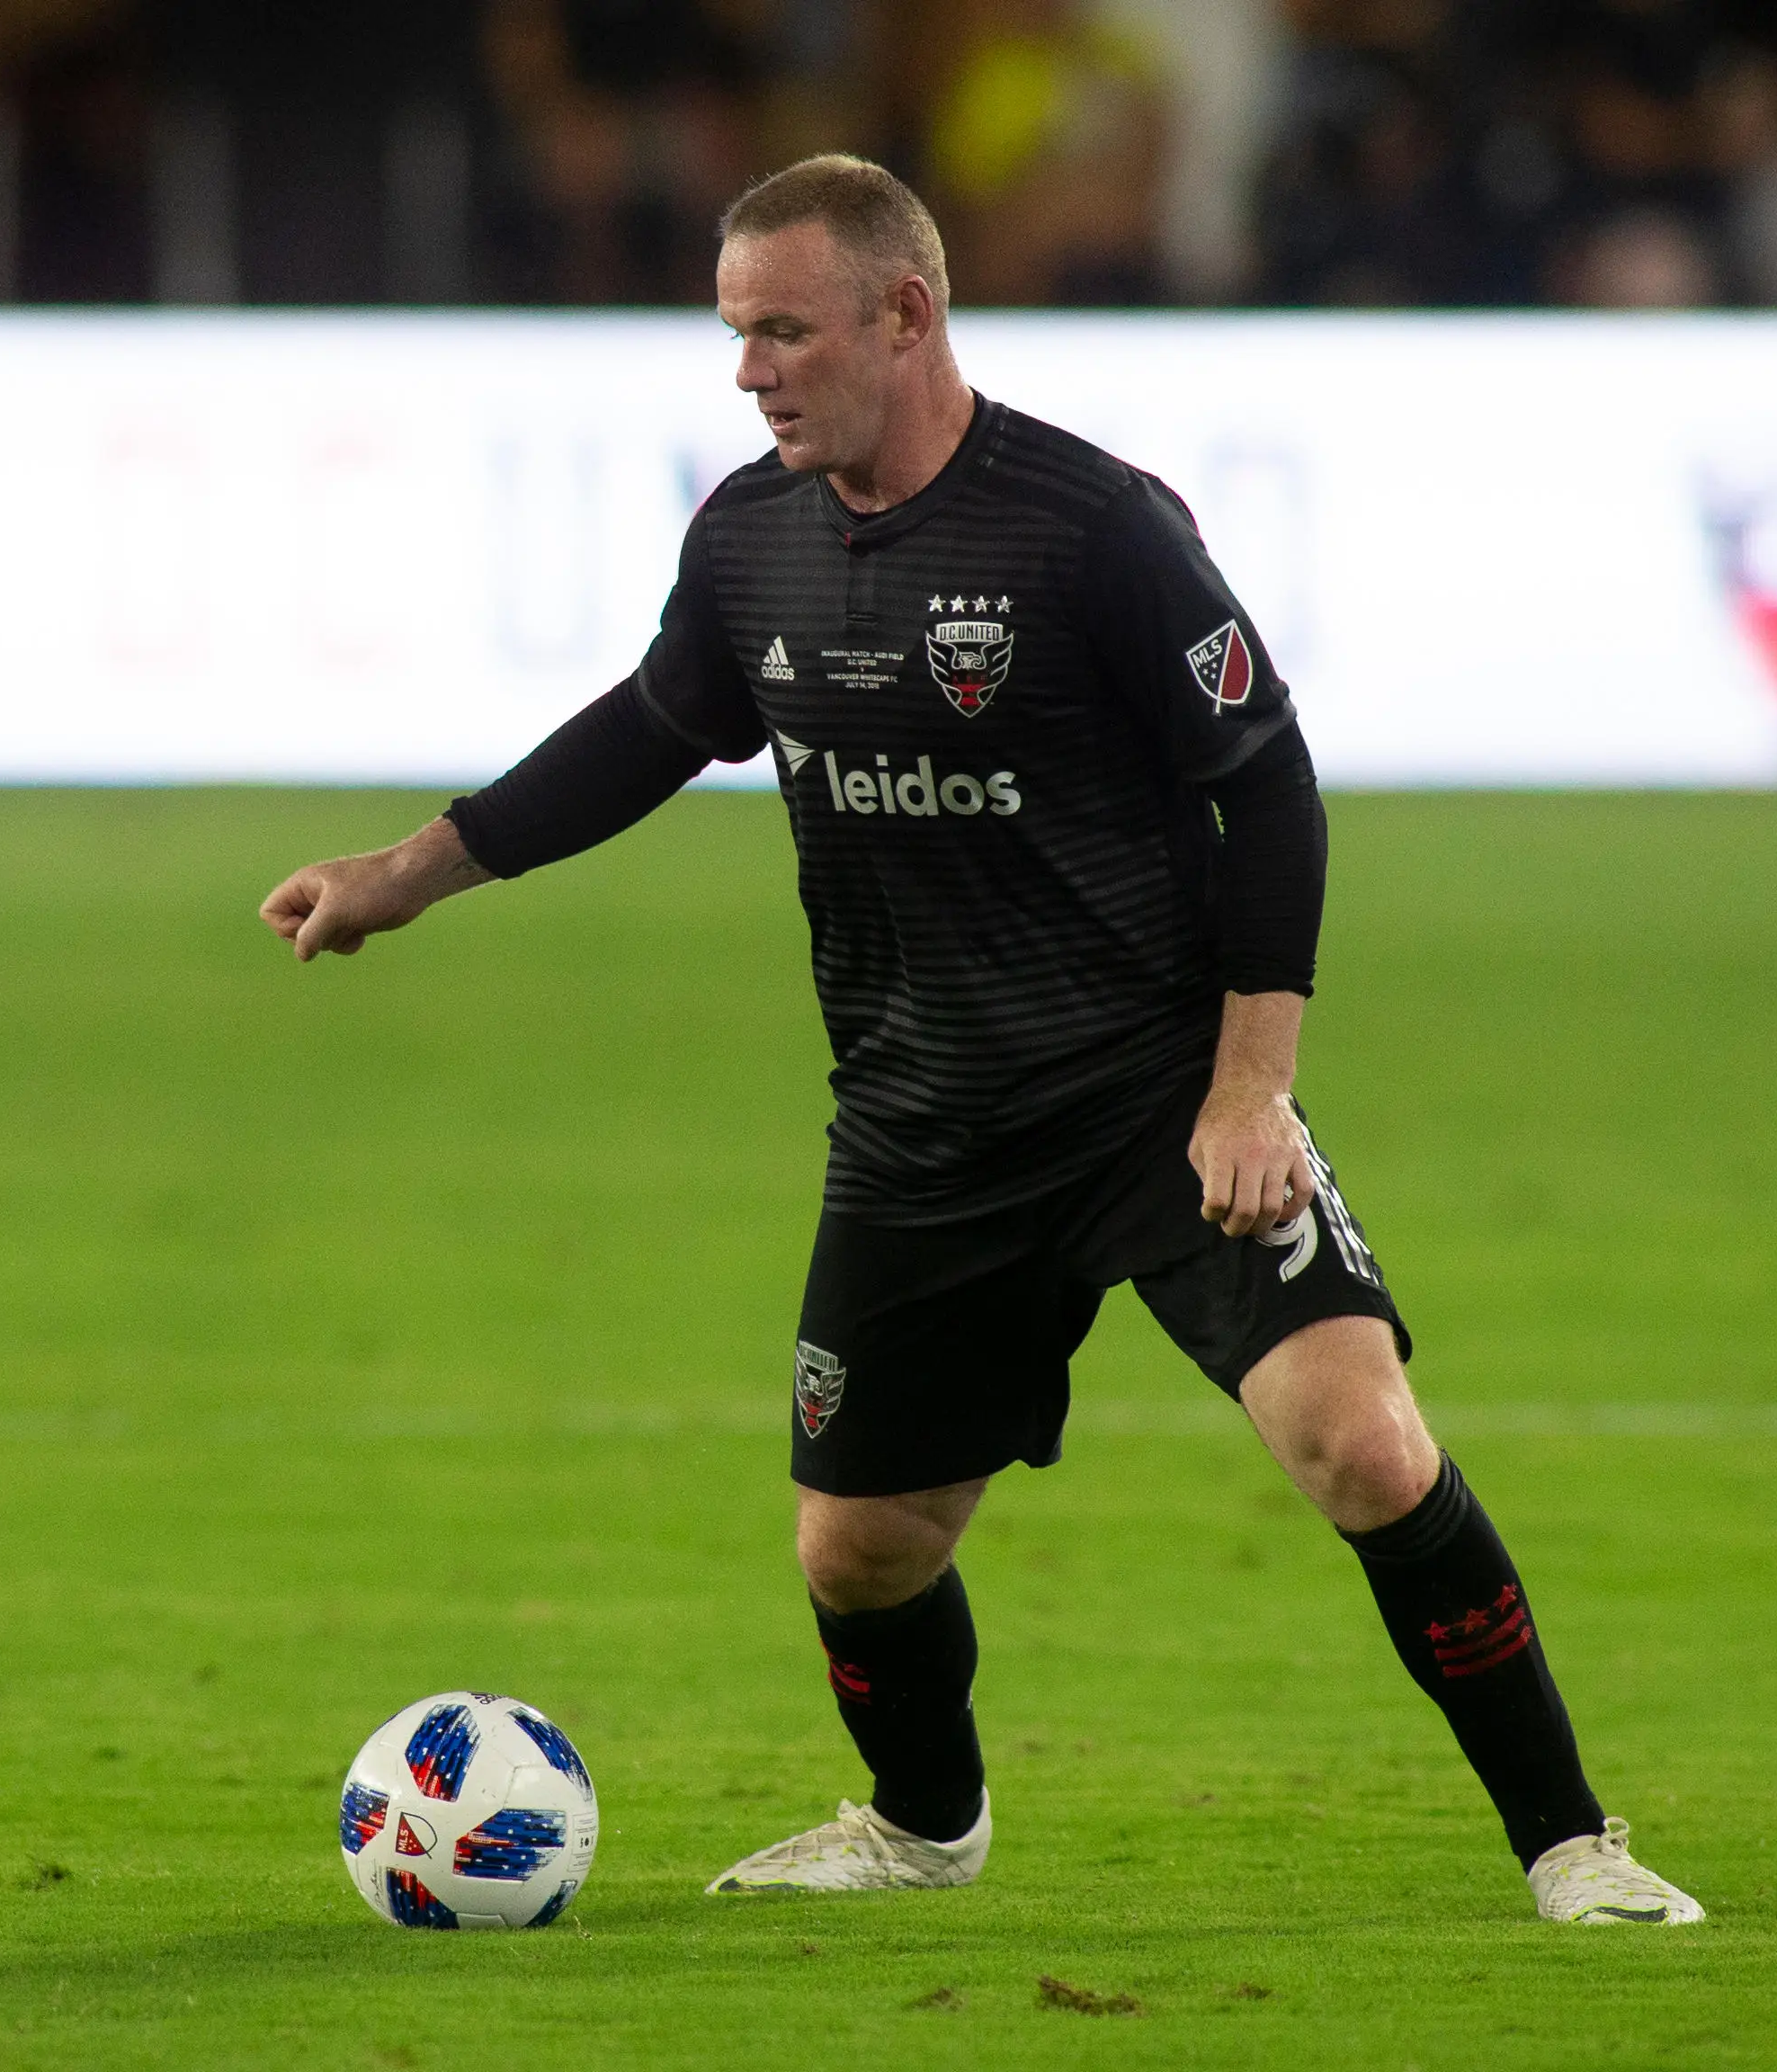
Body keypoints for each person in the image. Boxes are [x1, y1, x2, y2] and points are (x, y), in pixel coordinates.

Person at [259, 152, 1701, 1925]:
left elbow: (1274, 792)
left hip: (1158, 1109)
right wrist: (410, 873)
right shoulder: (750, 537)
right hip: (921, 1126)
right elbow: (651, 729)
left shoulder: (1093, 530)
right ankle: (923, 1826)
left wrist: (1254, 1091)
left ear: (906, 314)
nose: (750, 372)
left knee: (1363, 1444)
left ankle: (1572, 1844)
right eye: (734, 335)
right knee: (859, 1549)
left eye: (782, 331)